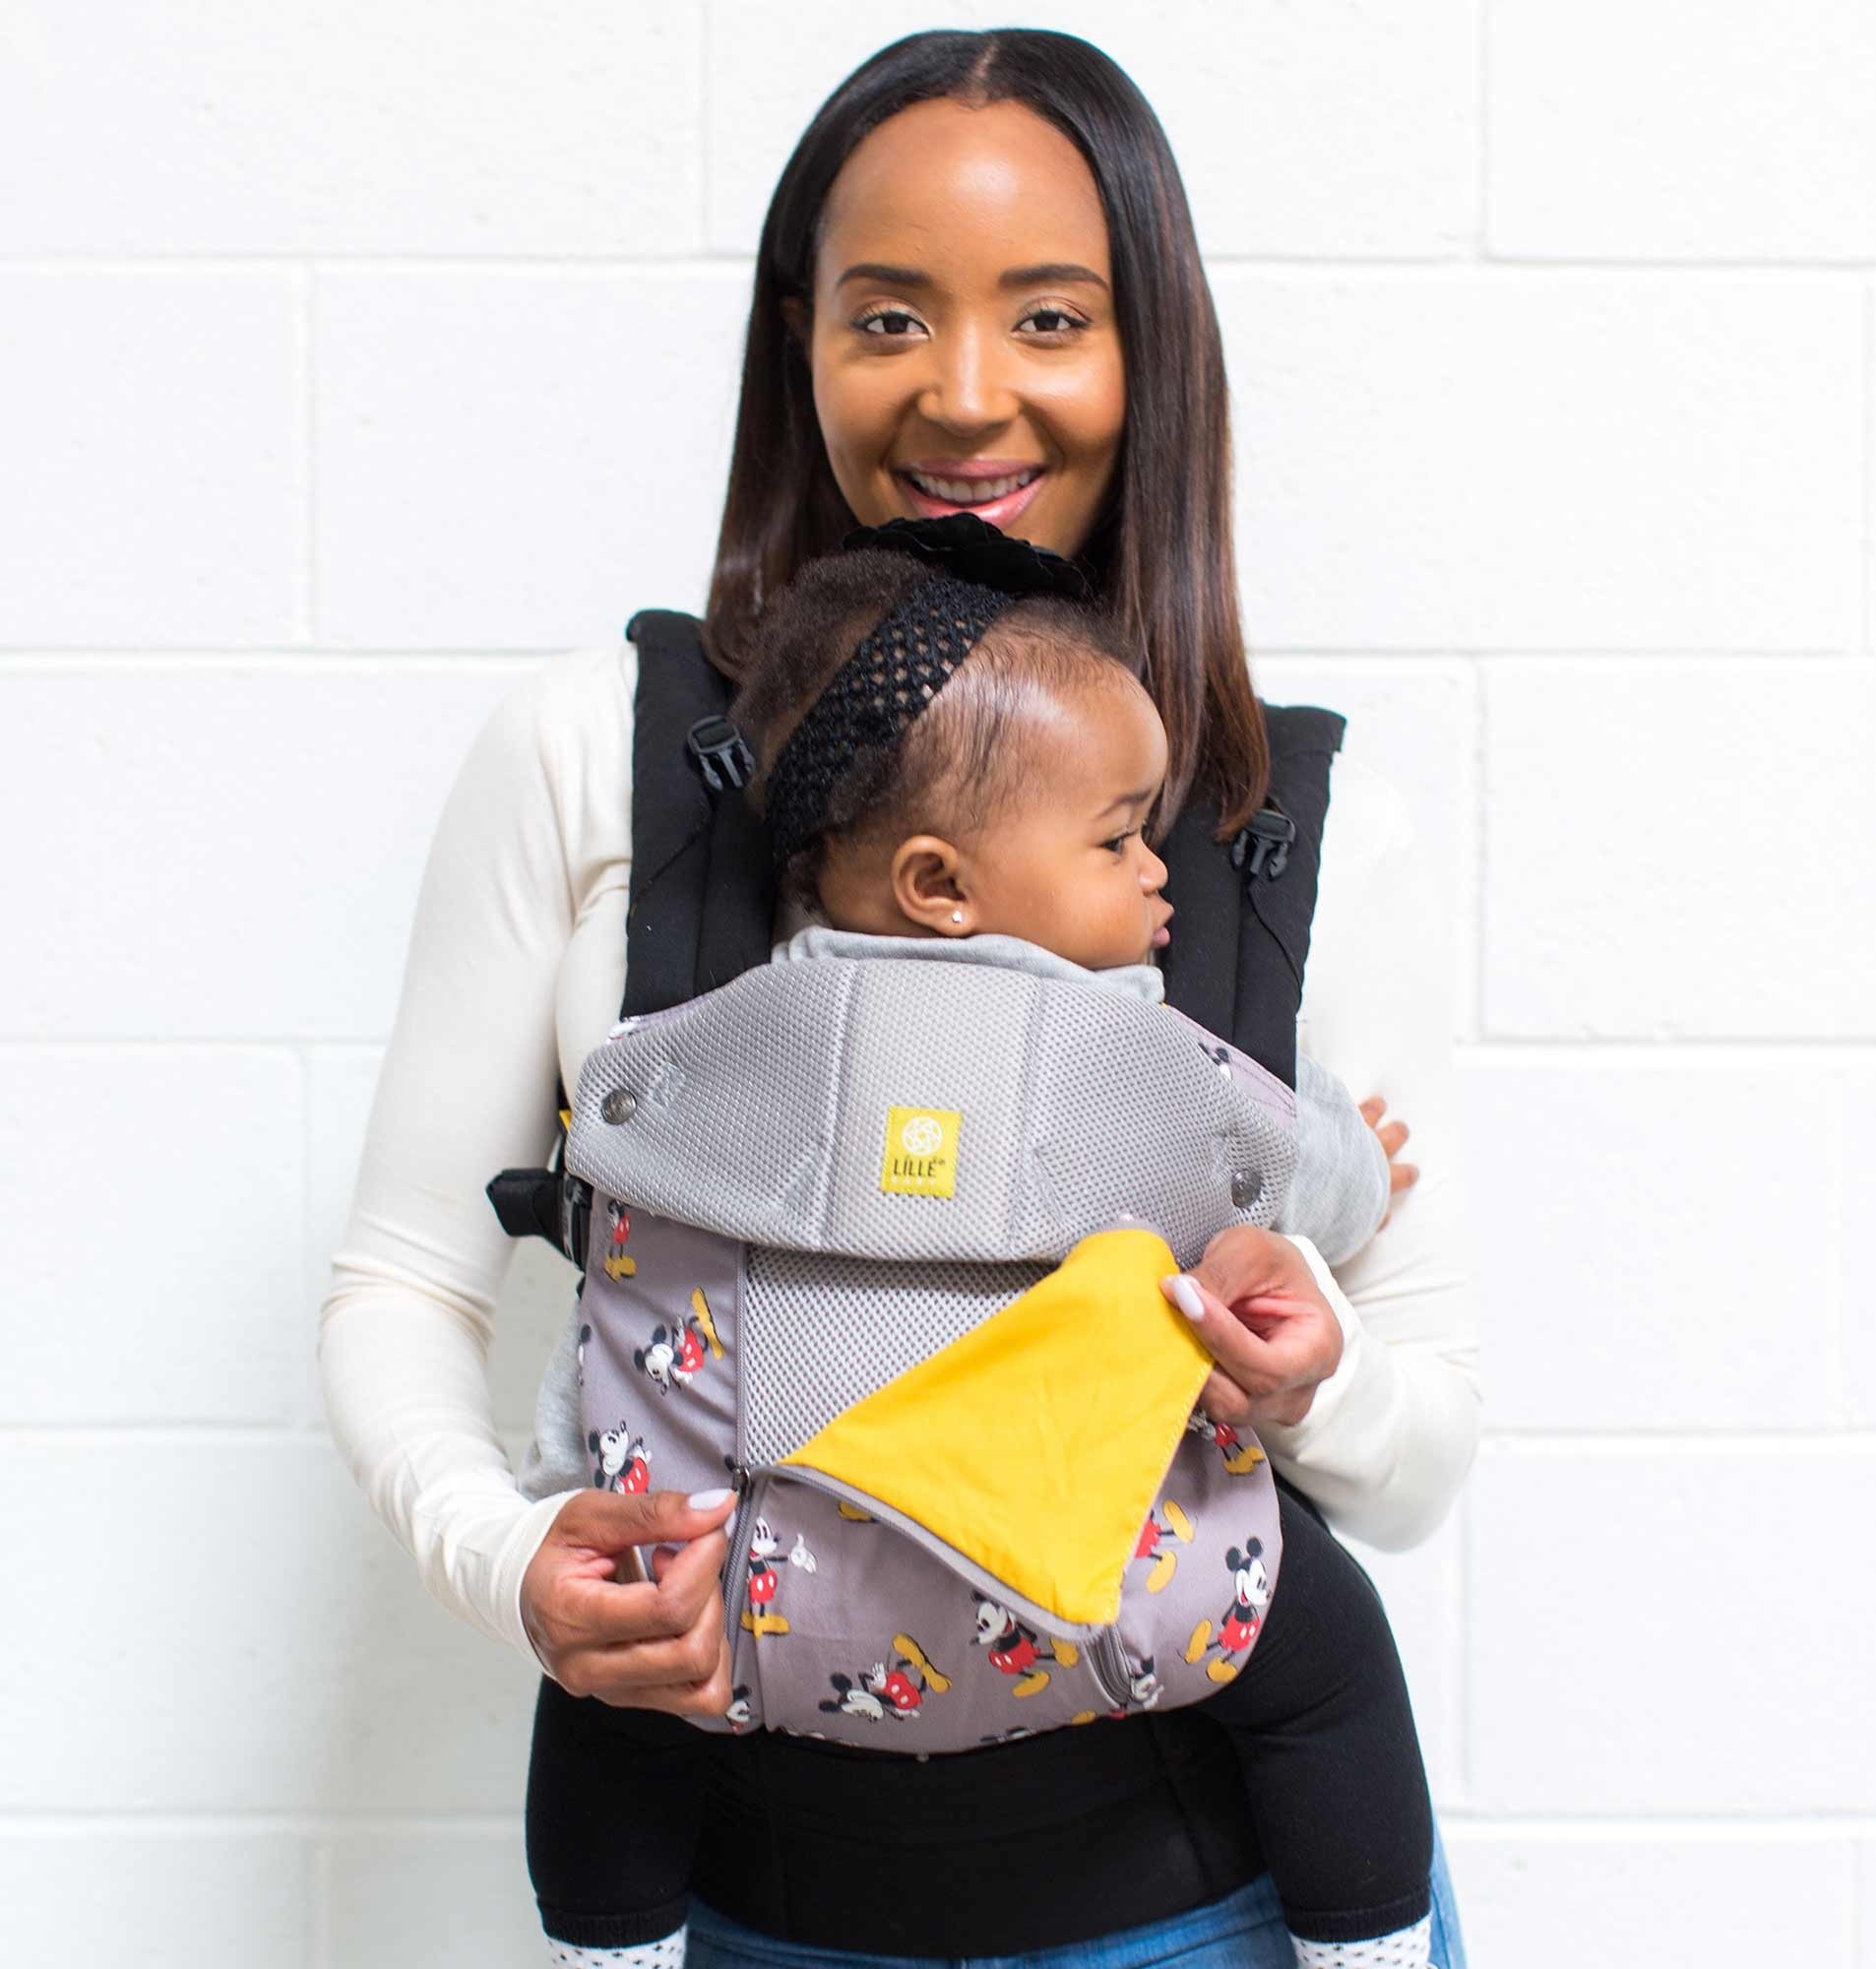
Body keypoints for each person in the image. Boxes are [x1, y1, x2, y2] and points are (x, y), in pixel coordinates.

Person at [318, 26, 1479, 1968]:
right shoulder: (593, 755)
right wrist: (511, 1560)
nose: (964, 390)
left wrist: (1314, 1379)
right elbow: (402, 1284)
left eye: (1050, 316)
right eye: (888, 316)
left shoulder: (1293, 826)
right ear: (802, 344)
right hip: (743, 1905)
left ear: (1152, 355)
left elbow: (1426, 1448)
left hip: (1215, 1911)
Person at [520, 519, 1438, 1967]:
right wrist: (1360, 1173)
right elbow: (1304, 1175)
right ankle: (1369, 1948)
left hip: (740, 1592)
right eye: (1119, 838)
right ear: (941, 885)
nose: (1159, 875)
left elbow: (615, 1236)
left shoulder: (696, 1047)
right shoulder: (1155, 1057)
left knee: (612, 1693)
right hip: (1115, 1586)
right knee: (1328, 1665)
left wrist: (551, 1481)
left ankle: (604, 1949)